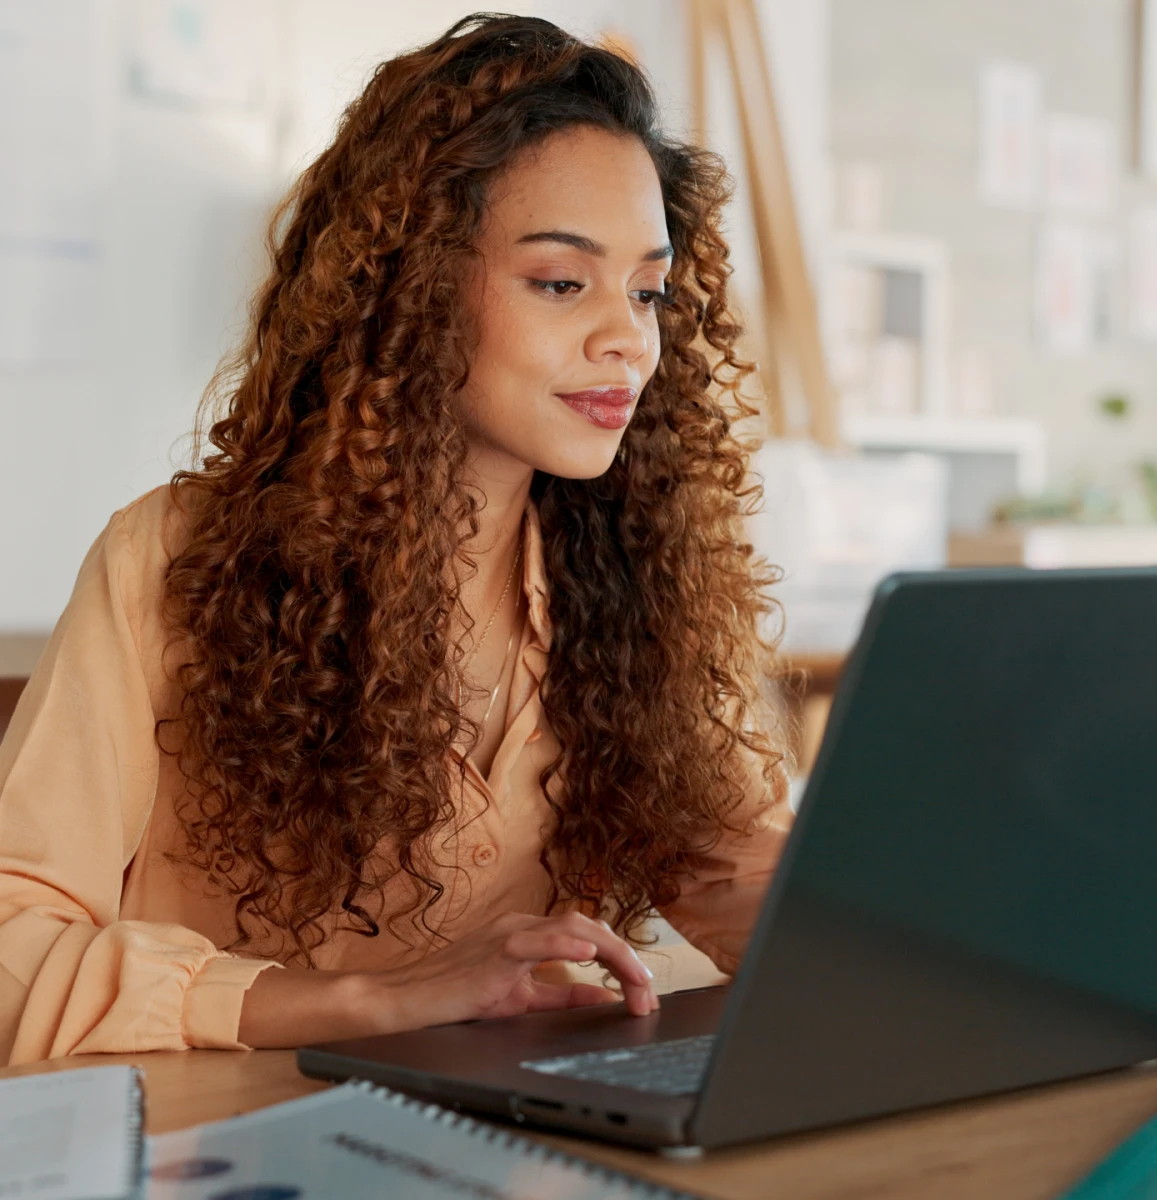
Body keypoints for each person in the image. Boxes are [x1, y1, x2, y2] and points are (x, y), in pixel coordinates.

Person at [0, 13, 790, 1066]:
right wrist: (378, 1000)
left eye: (647, 291)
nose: (627, 338)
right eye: (562, 282)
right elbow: (14, 952)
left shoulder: (644, 585)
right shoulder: (172, 559)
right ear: (409, 288)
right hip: (218, 1148)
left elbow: (743, 883)